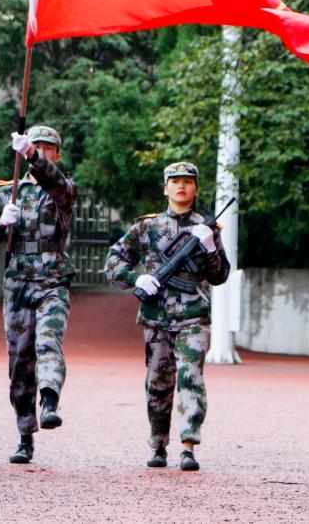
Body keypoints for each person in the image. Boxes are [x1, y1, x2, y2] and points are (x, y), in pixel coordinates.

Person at [104, 162, 229, 472]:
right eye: (175, 181)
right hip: (156, 317)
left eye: (187, 181)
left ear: (196, 188)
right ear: (165, 188)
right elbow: (113, 263)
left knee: (191, 377)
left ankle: (188, 446)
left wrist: (210, 247)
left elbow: (220, 276)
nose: (181, 186)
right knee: (158, 384)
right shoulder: (147, 227)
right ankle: (158, 444)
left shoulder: (207, 229)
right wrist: (137, 278)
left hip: (193, 316)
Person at [0, 125, 77, 464]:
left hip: (52, 279)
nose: (42, 152)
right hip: (18, 281)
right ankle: (24, 434)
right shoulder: (8, 193)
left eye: (48, 148)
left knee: (49, 340)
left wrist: (32, 157)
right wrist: (1, 224)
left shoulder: (62, 188)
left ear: (57, 154)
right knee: (20, 360)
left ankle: (49, 401)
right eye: (36, 147)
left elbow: (55, 183)